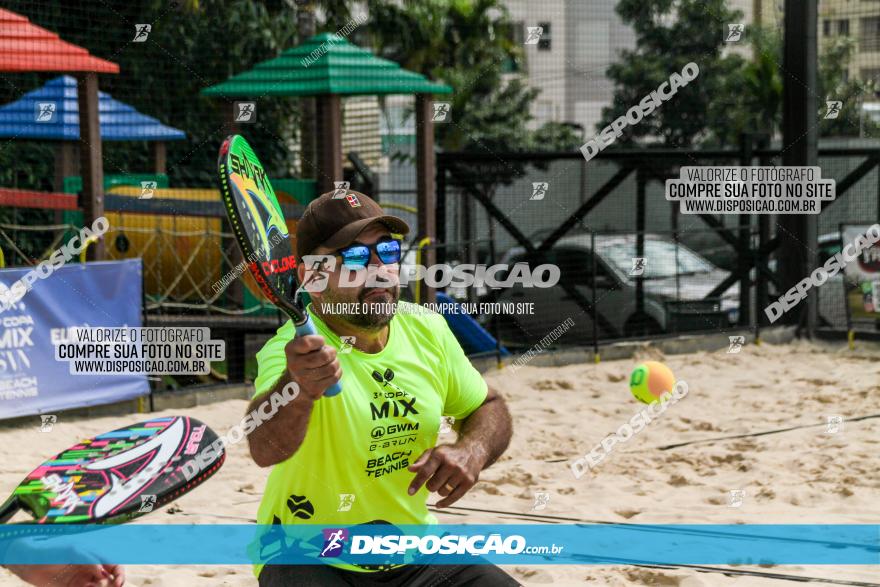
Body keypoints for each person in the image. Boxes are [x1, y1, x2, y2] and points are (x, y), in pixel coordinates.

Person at [246, 190, 517, 586]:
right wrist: (298, 388)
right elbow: (263, 449)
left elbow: (487, 405)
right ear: (311, 276)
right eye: (355, 257)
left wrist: (471, 451)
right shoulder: (288, 352)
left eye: (388, 252)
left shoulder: (425, 327)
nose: (379, 269)